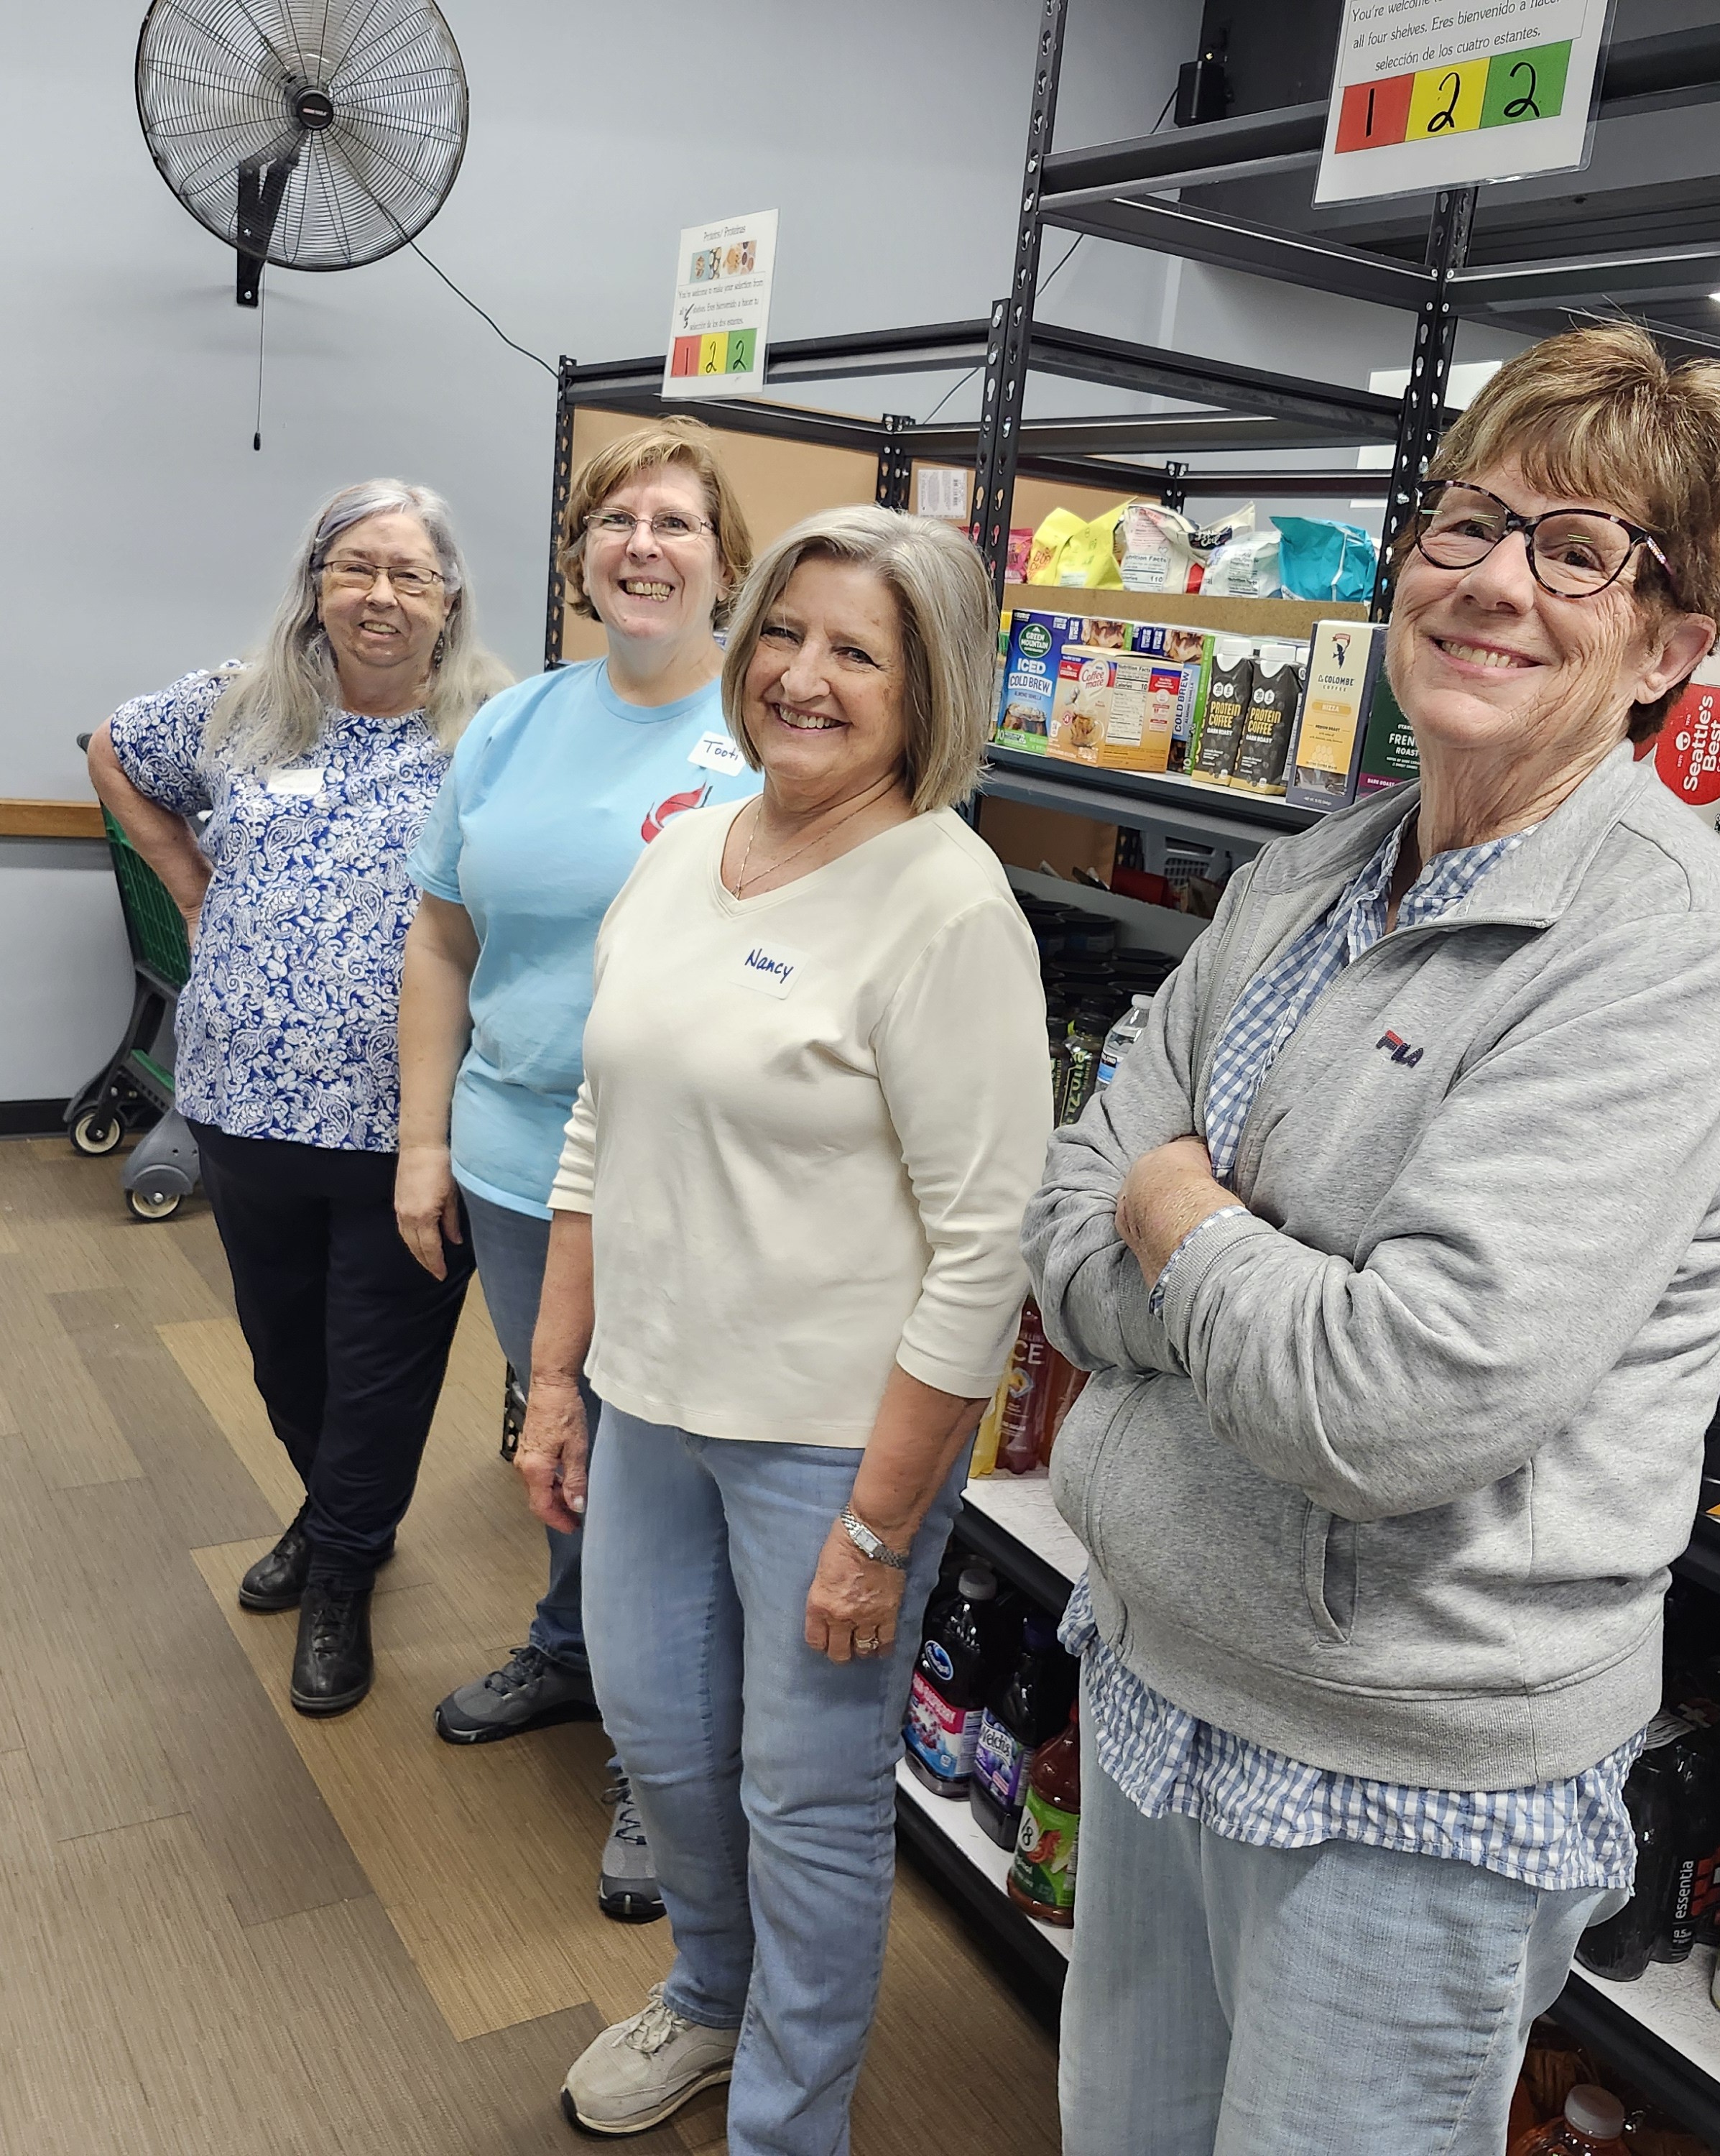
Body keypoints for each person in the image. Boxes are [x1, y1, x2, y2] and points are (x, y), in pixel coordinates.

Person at [1022, 324, 1720, 2156]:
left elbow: (1396, 1404)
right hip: (1158, 1676)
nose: (1491, 580)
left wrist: (1184, 1205)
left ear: (1670, 650)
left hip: (1406, 1773)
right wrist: (1210, 1258)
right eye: (1466, 520)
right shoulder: (1303, 874)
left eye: (1579, 551)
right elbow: (1061, 1225)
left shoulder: (1664, 937)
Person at [514, 505, 1052, 2147]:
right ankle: (707, 1997)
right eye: (785, 636)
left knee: (804, 1801)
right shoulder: (689, 850)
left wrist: (880, 1531)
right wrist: (552, 1384)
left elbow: (985, 1248)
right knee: (666, 1754)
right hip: (649, 1401)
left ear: (928, 688)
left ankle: (786, 2117)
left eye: (857, 652)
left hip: (828, 1446)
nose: (804, 679)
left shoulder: (948, 909)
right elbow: (600, 1129)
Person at [397, 418, 760, 1920]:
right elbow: (441, 934)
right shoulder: (513, 724)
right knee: (562, 1444)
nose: (641, 547)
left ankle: (658, 1753)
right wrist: (423, 1139)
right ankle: (570, 1650)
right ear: (579, 560)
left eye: (675, 523)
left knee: (652, 1473)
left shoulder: (760, 735)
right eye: (614, 523)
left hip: (682, 1182)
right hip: (508, 1150)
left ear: (726, 566)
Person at [87, 479, 512, 1716]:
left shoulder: (491, 730)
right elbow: (115, 749)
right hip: (242, 1103)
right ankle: (339, 1519)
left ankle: (339, 1574)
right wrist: (184, 880)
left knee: (380, 1367)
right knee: (284, 1358)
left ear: (448, 604)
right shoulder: (241, 706)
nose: (381, 596)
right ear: (317, 586)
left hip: (411, 1127)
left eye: (411, 575)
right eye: (355, 569)